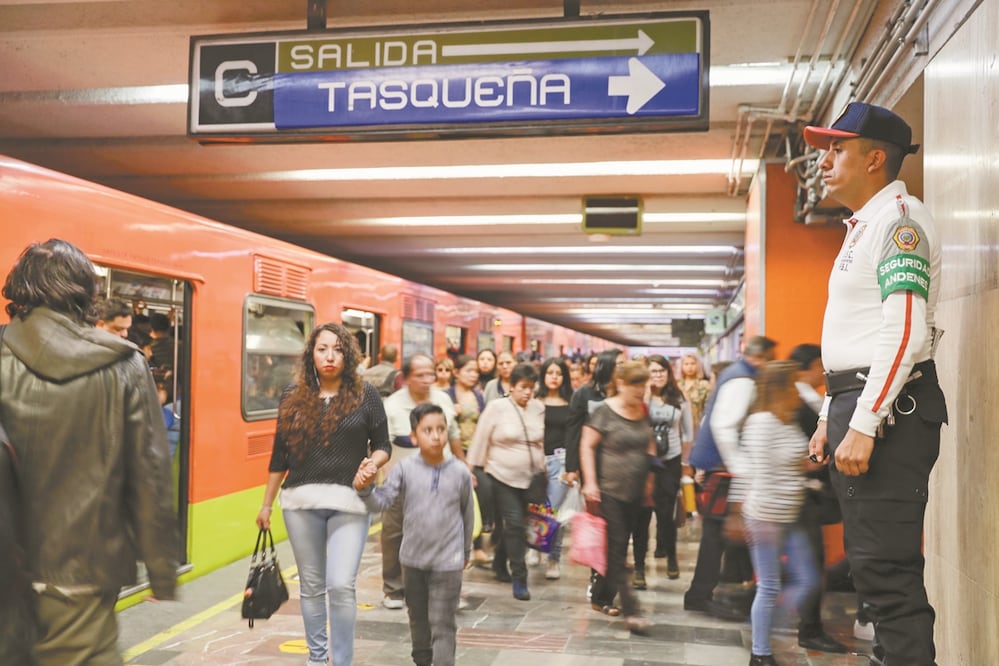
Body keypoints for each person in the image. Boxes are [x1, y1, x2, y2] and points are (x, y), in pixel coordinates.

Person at [804, 101, 947, 666]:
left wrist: (863, 422)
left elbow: (906, 329)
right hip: (862, 400)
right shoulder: (866, 225)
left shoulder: (900, 221)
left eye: (837, 149)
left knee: (887, 577)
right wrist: (828, 415)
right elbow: (857, 332)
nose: (825, 160)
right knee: (871, 568)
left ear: (875, 158)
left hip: (889, 411)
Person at [0, 239, 178, 665]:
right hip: (83, 572)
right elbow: (150, 473)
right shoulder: (124, 364)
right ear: (84, 293)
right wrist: (161, 570)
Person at [256, 322, 391, 666]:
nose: (330, 356)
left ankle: (341, 661)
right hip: (300, 503)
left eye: (337, 349)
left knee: (341, 585)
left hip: (349, 501)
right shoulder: (291, 396)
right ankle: (318, 659)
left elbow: (383, 445)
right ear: (311, 355)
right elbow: (279, 455)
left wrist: (372, 464)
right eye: (322, 349)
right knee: (312, 587)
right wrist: (267, 504)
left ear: (348, 354)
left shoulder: (366, 394)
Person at [354, 403, 474, 666]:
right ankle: (421, 659)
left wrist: (465, 551)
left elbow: (467, 513)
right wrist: (364, 489)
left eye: (441, 429)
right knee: (418, 620)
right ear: (413, 436)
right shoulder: (403, 469)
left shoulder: (460, 472)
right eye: (428, 430)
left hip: (448, 563)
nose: (436, 436)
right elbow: (382, 503)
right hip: (412, 561)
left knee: (443, 623)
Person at [685, 336, 777, 620]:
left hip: (720, 466)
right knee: (715, 535)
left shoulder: (733, 373)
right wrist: (740, 468)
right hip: (723, 468)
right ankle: (700, 595)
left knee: (718, 534)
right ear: (758, 358)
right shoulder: (743, 380)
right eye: (770, 358)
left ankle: (713, 587)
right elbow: (723, 426)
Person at [741, 361, 821, 666]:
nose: (797, 392)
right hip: (766, 517)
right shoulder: (761, 422)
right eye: (792, 385)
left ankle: (767, 627)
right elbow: (765, 470)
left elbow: (791, 461)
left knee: (808, 579)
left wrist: (809, 464)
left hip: (789, 514)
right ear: (778, 388)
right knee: (770, 586)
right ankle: (760, 653)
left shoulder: (784, 420)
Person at [380, 354, 463, 609]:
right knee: (395, 533)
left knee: (444, 532)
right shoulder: (392, 405)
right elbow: (383, 443)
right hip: (403, 480)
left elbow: (453, 434)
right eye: (420, 375)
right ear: (406, 378)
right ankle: (394, 589)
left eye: (431, 374)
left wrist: (463, 464)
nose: (428, 380)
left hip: (442, 476)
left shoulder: (442, 399)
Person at [579, 360, 655, 633]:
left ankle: (600, 596)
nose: (640, 390)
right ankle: (632, 610)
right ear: (621, 383)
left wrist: (650, 480)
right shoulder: (604, 412)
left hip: (635, 493)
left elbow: (649, 445)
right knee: (618, 548)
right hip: (610, 491)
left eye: (643, 385)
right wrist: (589, 481)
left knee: (622, 547)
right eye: (635, 384)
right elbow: (587, 445)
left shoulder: (642, 412)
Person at [466, 362, 545, 601]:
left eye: (531, 388)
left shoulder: (538, 408)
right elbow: (481, 439)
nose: (527, 392)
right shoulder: (496, 407)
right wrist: (471, 469)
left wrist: (543, 470)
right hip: (500, 475)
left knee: (517, 525)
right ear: (511, 386)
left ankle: (500, 562)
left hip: (530, 478)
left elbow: (541, 443)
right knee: (514, 523)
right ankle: (519, 577)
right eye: (522, 387)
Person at [788, 343, 849, 655]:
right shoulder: (802, 401)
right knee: (811, 564)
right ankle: (809, 628)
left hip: (803, 496)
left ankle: (808, 625)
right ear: (811, 366)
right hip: (803, 495)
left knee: (809, 564)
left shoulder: (796, 398)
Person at [564, 348, 621, 602]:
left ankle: (610, 576)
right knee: (598, 527)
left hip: (621, 469)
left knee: (617, 530)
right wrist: (571, 467)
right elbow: (573, 432)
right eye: (620, 363)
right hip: (593, 470)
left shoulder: (626, 393)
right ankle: (596, 577)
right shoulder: (584, 394)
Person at [634, 354, 692, 587]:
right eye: (653, 371)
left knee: (666, 514)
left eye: (661, 370)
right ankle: (639, 567)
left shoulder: (678, 397)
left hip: (671, 461)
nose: (657, 375)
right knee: (641, 516)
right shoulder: (639, 396)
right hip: (643, 463)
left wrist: (686, 462)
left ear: (668, 373)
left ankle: (671, 558)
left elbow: (688, 432)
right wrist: (646, 393)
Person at [446, 354, 492, 564]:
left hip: (476, 454)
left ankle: (477, 545)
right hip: (453, 455)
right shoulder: (447, 396)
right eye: (469, 371)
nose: (474, 375)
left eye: (475, 371)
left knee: (482, 495)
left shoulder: (479, 396)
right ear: (456, 373)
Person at [535, 357, 573, 580]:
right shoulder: (534, 401)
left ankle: (553, 559)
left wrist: (572, 467)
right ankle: (536, 546)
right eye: (550, 373)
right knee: (536, 509)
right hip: (536, 461)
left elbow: (573, 435)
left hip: (561, 462)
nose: (554, 377)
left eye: (558, 373)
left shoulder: (570, 402)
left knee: (556, 514)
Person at [677, 353, 711, 434]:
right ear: (681, 366)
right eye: (686, 364)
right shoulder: (677, 385)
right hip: (679, 426)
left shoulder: (704, 385)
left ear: (698, 365)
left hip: (698, 426)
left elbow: (708, 407)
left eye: (693, 363)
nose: (689, 367)